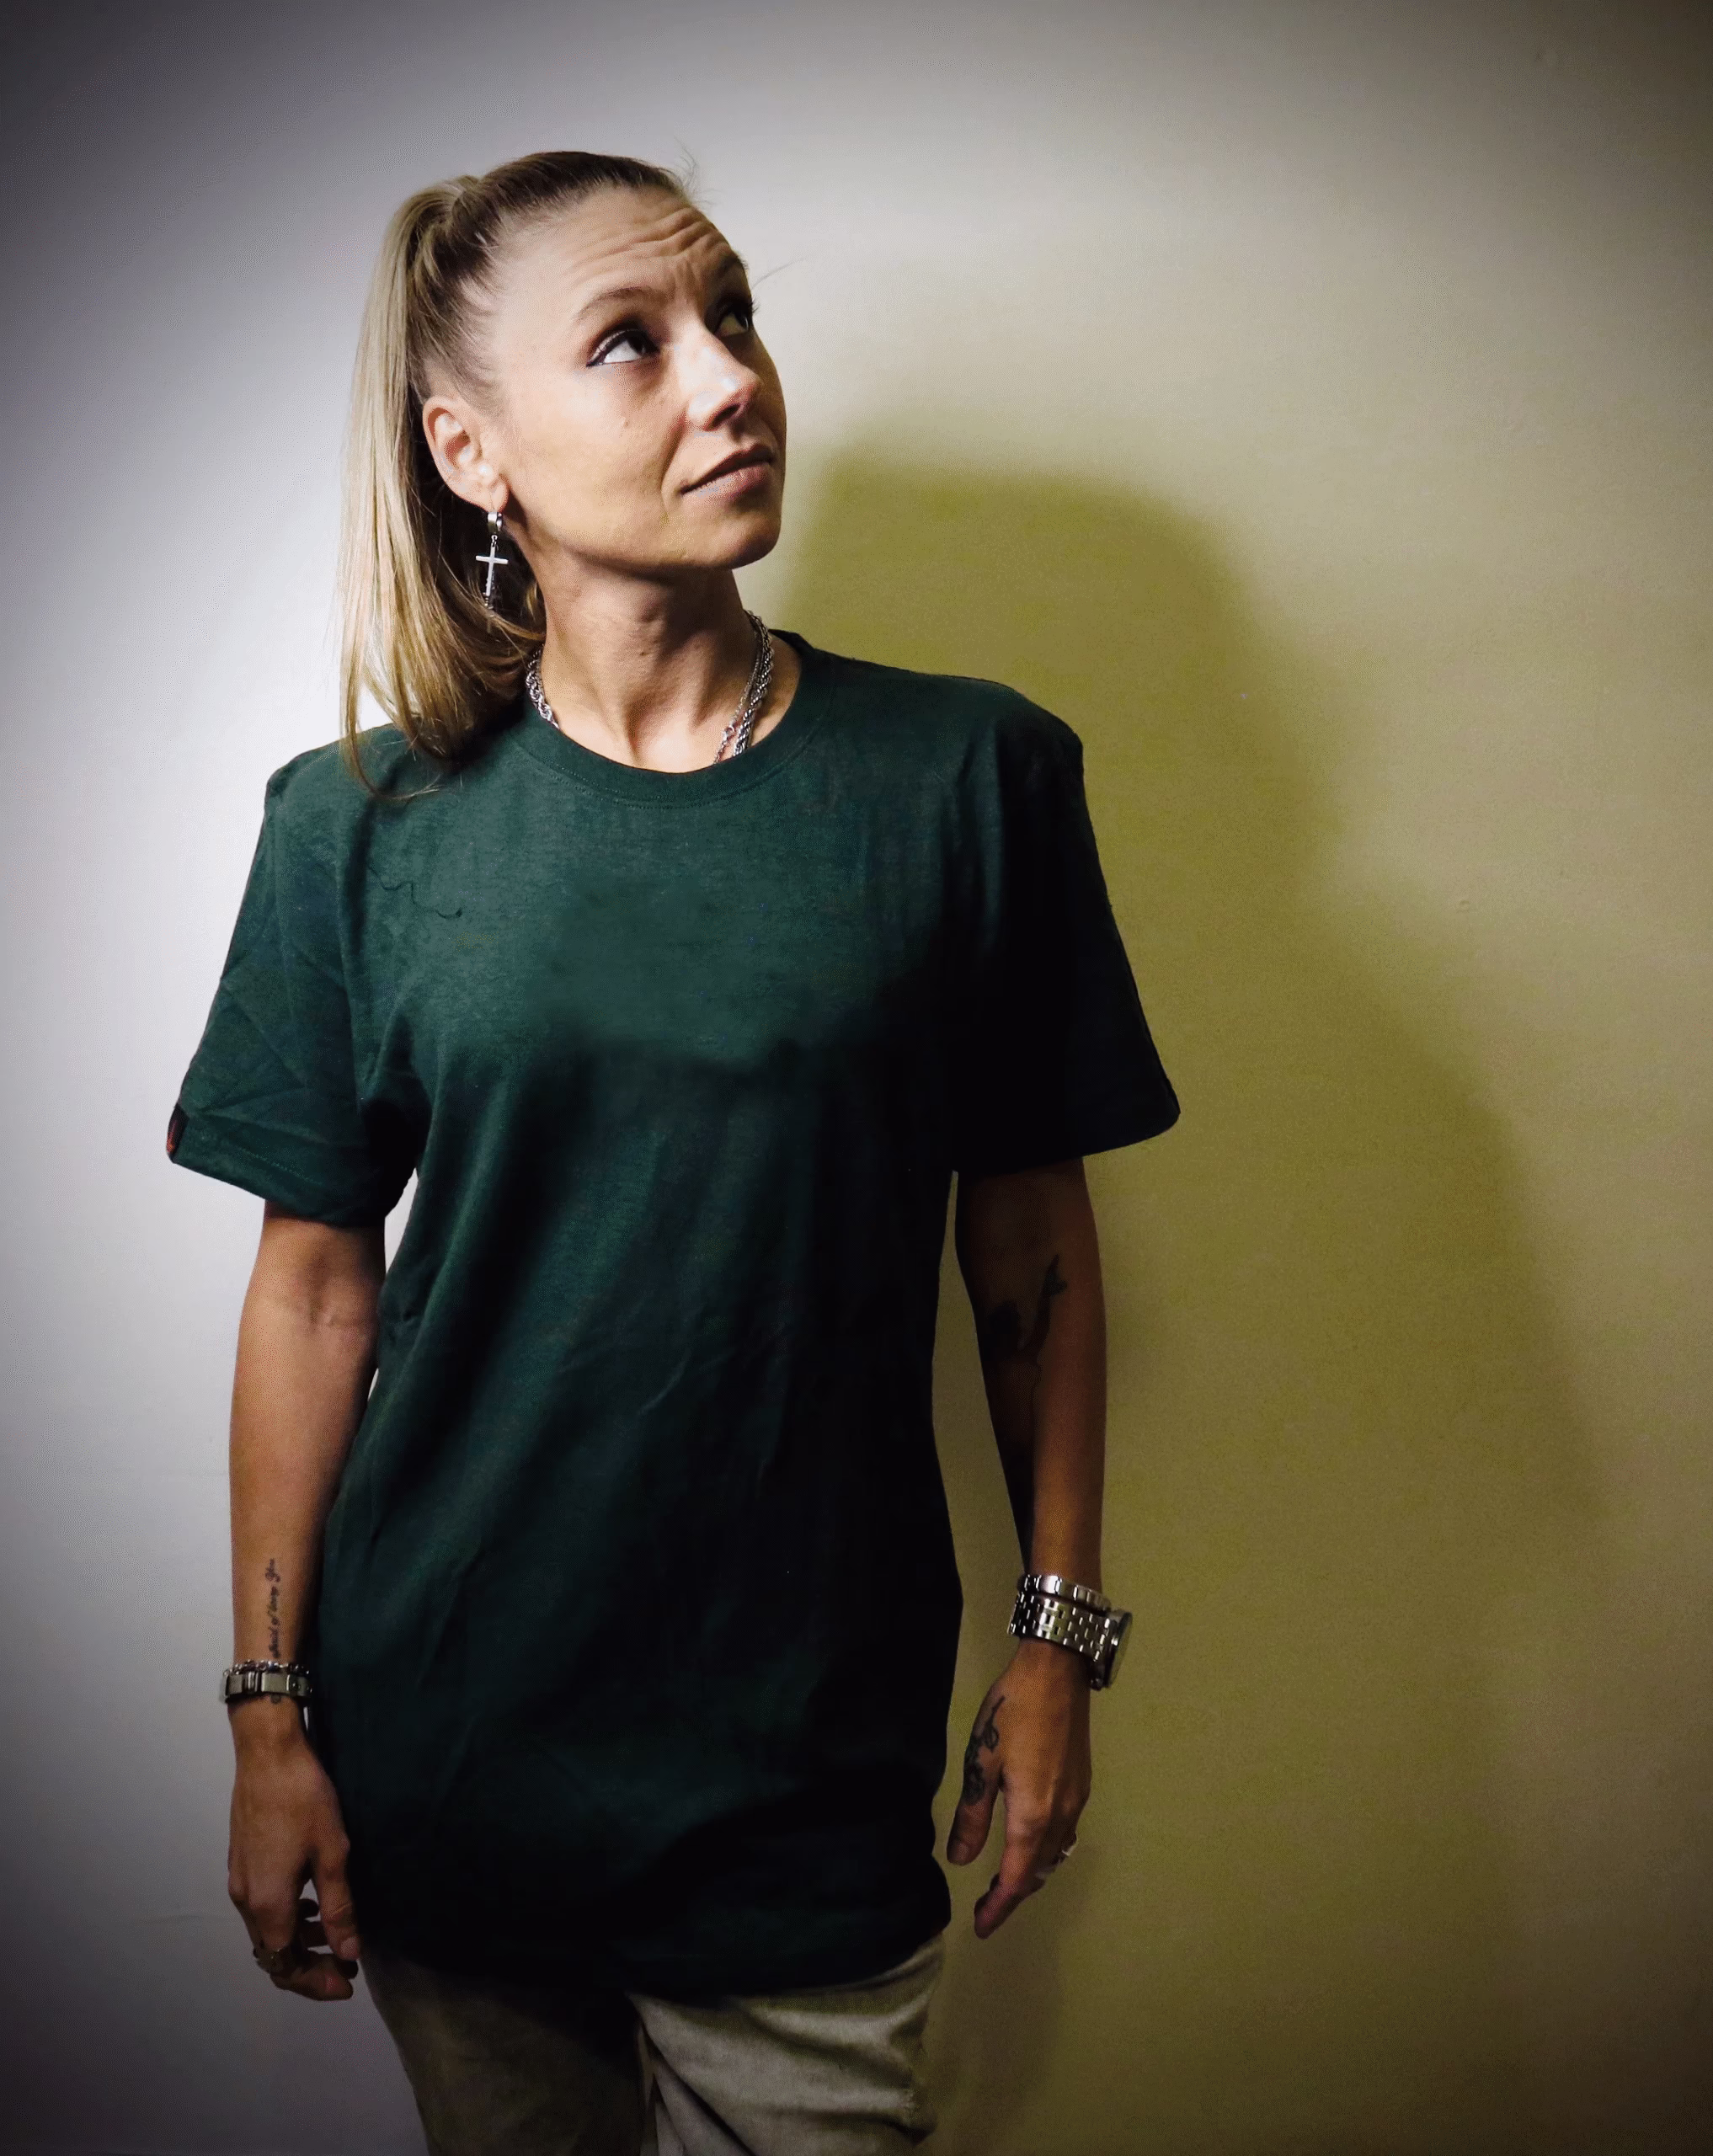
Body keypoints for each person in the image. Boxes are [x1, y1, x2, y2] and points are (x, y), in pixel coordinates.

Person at [164, 149, 1178, 2154]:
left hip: (799, 1772)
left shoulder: (967, 778)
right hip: (448, 1752)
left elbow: (1031, 1255)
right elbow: (313, 1289)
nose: (728, 379)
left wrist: (1057, 1636)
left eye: (733, 317)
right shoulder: (353, 827)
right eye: (630, 342)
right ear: (472, 452)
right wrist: (269, 1716)